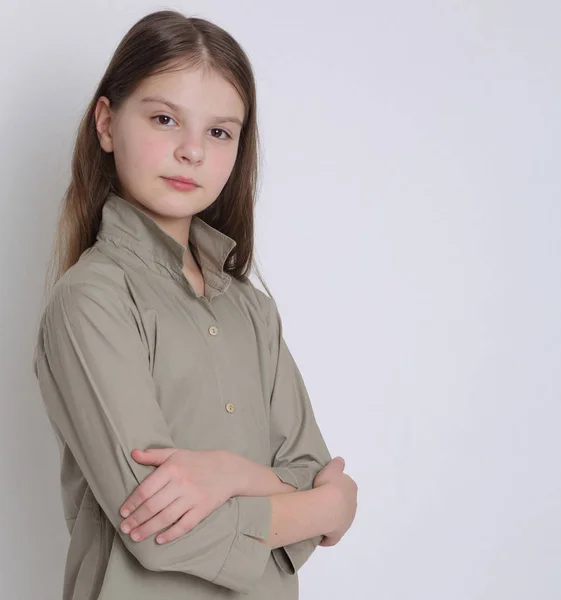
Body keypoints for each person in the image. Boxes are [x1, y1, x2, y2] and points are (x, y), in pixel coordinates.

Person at [32, 10, 358, 600]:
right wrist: (325, 507)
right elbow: (159, 531)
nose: (191, 151)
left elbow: (311, 472)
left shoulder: (253, 311)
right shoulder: (91, 300)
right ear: (107, 123)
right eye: (164, 119)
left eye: (219, 131)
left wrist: (231, 476)